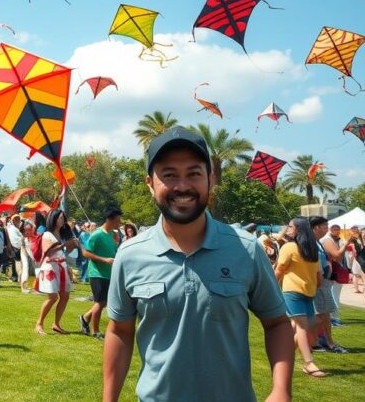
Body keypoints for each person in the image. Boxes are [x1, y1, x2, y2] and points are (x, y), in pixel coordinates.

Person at [103, 127, 292, 402]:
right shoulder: (130, 255)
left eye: (193, 173)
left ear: (210, 179)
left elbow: (277, 323)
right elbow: (119, 331)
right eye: (169, 175)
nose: (182, 186)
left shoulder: (246, 249)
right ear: (149, 183)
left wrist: (281, 390)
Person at [275, 218, 326, 378]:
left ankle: (283, 356)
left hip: (307, 293)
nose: (287, 229)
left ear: (297, 229)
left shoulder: (307, 249)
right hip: (293, 291)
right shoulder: (292, 247)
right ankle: (308, 362)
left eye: (290, 226)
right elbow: (279, 270)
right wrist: (272, 289)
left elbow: (318, 275)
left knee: (305, 325)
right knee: (303, 326)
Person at [80, 207, 122, 340]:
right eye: (118, 220)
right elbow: (86, 252)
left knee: (103, 302)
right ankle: (95, 331)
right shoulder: (97, 234)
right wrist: (104, 259)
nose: (119, 223)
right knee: (100, 302)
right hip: (97, 273)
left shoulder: (110, 234)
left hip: (108, 273)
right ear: (110, 219)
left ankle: (85, 318)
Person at [35, 209, 76, 335]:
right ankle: (39, 323)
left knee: (65, 296)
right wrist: (65, 245)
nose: (62, 220)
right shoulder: (47, 234)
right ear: (53, 219)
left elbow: (66, 251)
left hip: (61, 265)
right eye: (60, 217)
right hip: (50, 267)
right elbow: (48, 251)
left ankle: (56, 324)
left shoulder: (62, 234)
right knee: (53, 297)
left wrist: (72, 245)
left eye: (63, 218)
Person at [309, 216, 347, 353]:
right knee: (319, 315)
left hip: (324, 283)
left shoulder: (318, 242)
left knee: (325, 314)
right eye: (325, 226)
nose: (327, 229)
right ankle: (309, 341)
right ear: (316, 227)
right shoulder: (311, 243)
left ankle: (327, 341)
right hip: (317, 283)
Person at [320, 223, 351, 326]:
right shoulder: (327, 240)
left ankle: (334, 318)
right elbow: (337, 256)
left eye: (338, 229)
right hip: (330, 270)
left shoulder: (338, 240)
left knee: (335, 294)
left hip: (336, 269)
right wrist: (345, 244)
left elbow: (341, 256)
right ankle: (334, 318)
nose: (336, 230)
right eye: (334, 228)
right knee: (332, 295)